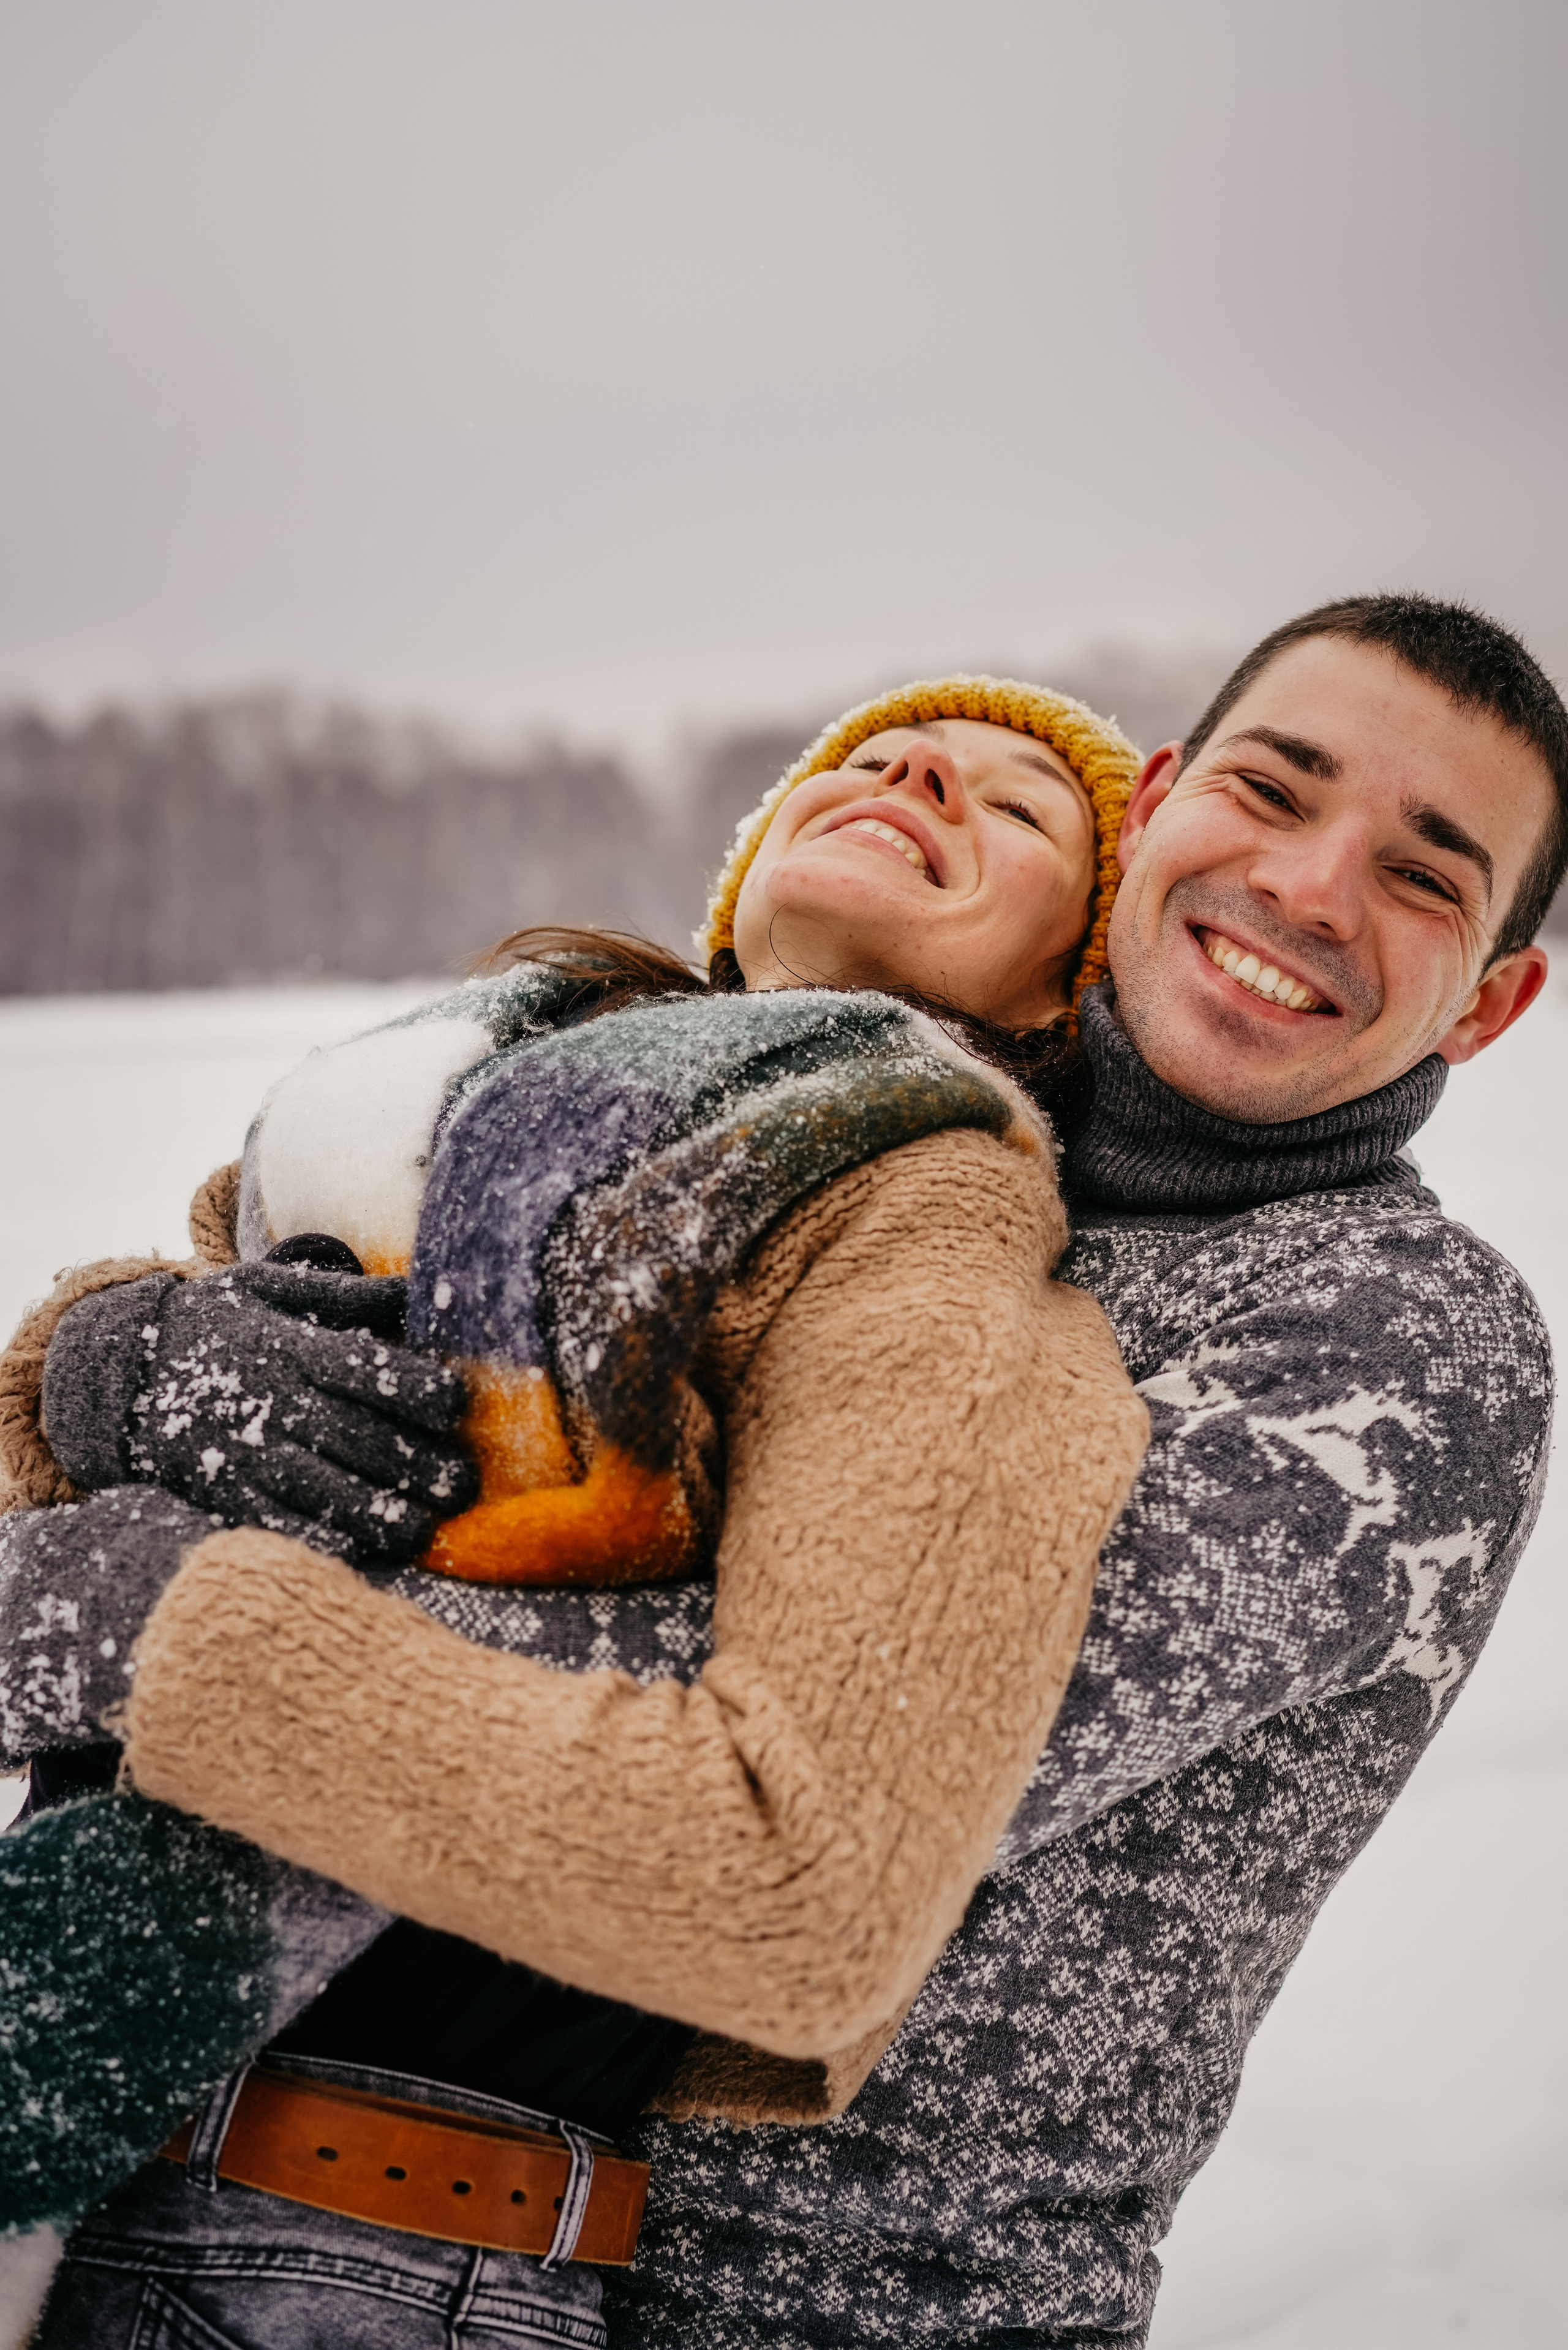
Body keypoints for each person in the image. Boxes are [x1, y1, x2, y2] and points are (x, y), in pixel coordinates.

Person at [1, 592, 1560, 2346]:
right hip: (320, 2216)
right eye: (1276, 792)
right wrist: (107, 1367)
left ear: (1493, 1002)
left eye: (1427, 874)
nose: (1309, 886)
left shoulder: (1387, 1332)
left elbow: (836, 1746)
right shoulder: (800, 1134)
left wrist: (155, 1609)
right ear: (1169, 811)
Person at [0, 680, 1150, 2343]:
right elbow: (74, 1480)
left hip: (352, 2249)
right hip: (109, 2147)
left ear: (1065, 982)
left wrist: (161, 1630)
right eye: (877, 758)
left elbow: (797, 1888)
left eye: (1020, 808)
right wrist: (106, 1363)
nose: (917, 772)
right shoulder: (466, 1104)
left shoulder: (921, 1197)